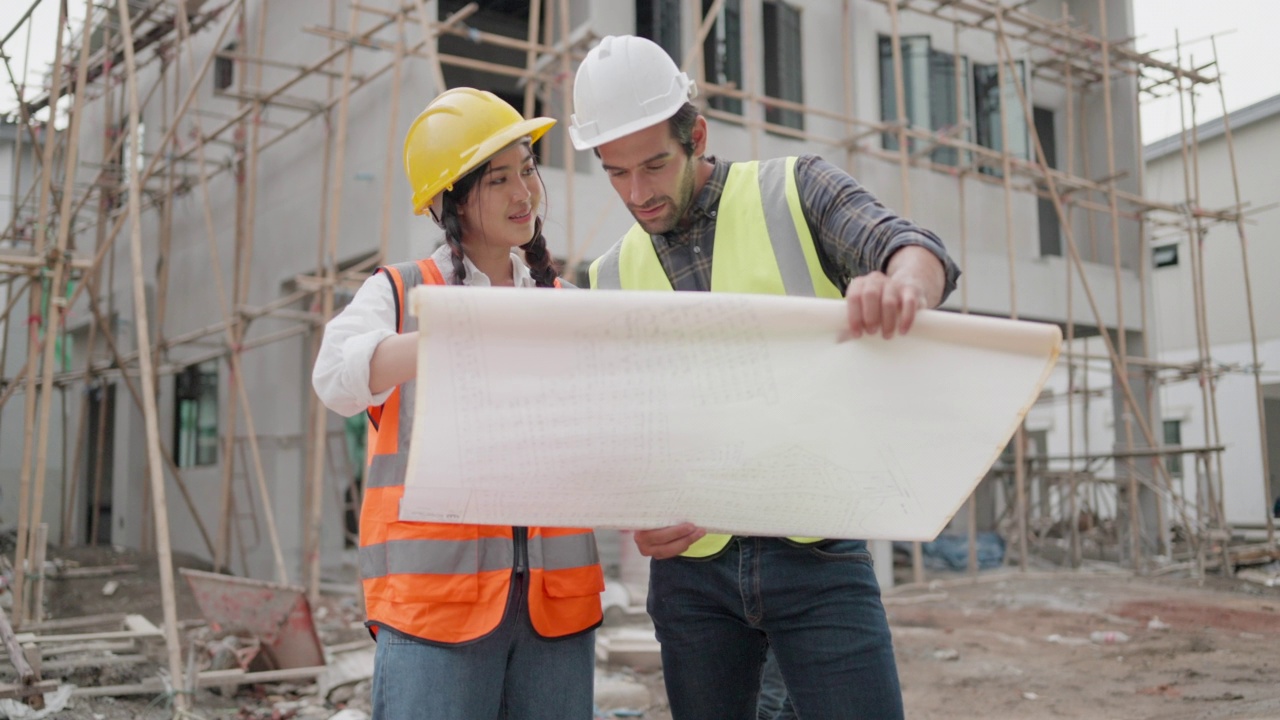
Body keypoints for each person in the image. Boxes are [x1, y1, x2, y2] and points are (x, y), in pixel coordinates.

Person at [569, 36, 961, 720]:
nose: (638, 192)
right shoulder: (608, 275)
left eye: (655, 165)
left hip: (816, 553)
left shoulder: (792, 190)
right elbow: (622, 430)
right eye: (615, 173)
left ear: (696, 135)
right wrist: (635, 505)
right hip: (692, 575)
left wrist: (904, 290)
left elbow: (913, 249)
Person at [312, 87, 604, 720]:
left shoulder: (560, 300)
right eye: (498, 178)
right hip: (435, 613)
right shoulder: (403, 291)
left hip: (553, 612)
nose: (523, 191)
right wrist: (447, 334)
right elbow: (334, 377)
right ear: (450, 201)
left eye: (526, 168)